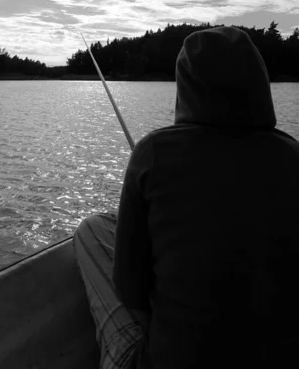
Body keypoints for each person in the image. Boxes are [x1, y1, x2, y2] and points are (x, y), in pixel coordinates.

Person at [73, 25, 299, 369]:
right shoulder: (293, 156)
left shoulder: (153, 152)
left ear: (186, 89)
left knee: (92, 229)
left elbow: (131, 292)